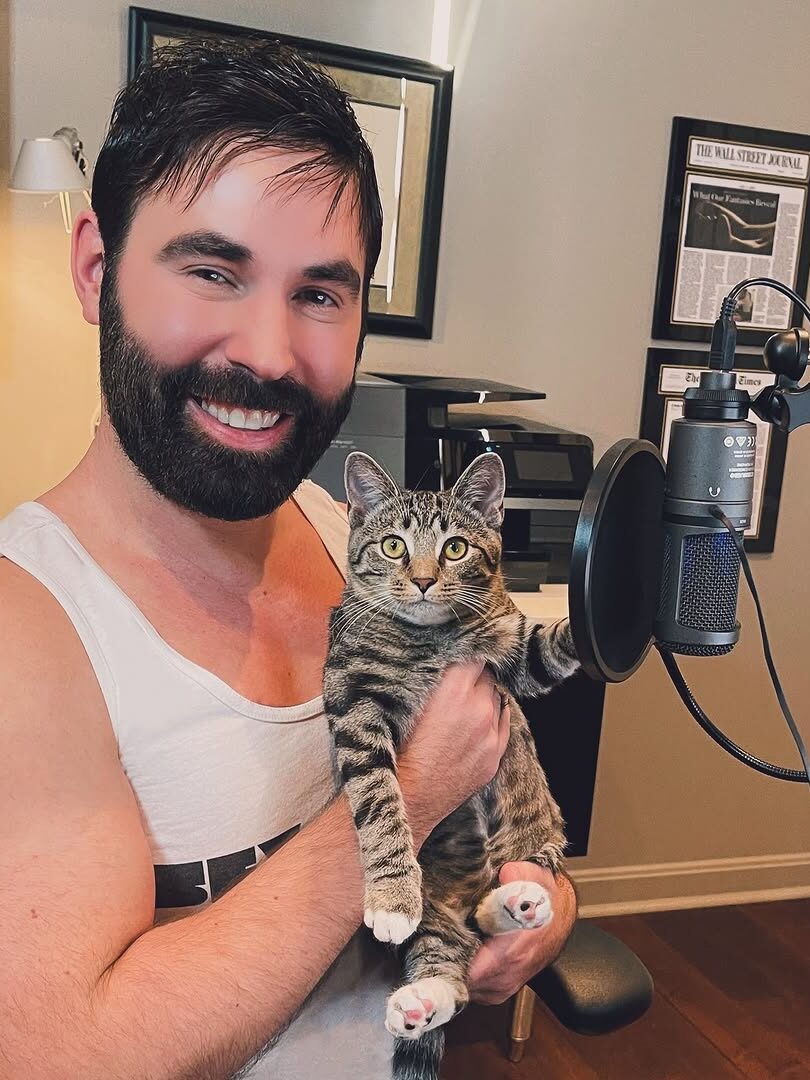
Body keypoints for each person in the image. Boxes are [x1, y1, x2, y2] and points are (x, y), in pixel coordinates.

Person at [0, 37, 577, 1079]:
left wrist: (545, 893)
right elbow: (62, 1054)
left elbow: (503, 775)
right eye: (213, 270)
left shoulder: (338, 526)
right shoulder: (26, 627)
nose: (268, 354)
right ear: (96, 269)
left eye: (319, 294)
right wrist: (409, 792)